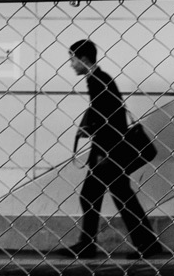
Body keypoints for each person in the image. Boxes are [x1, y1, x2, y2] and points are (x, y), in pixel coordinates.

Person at [64, 38, 164, 259]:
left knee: (96, 194)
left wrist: (103, 152)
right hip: (108, 149)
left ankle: (91, 244)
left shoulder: (98, 81)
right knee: (111, 193)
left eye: (72, 59)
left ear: (83, 59)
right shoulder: (100, 80)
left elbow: (111, 120)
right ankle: (145, 242)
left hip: (107, 151)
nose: (71, 64)